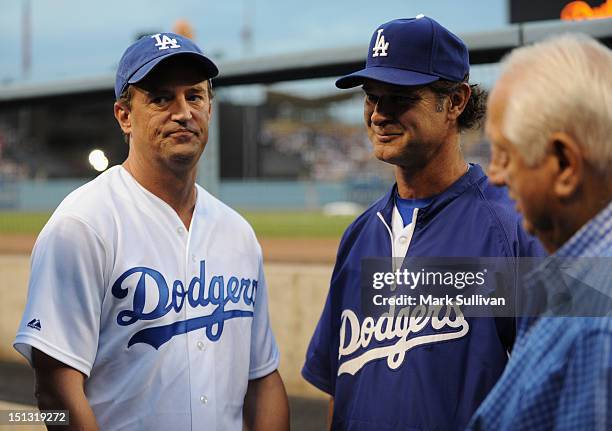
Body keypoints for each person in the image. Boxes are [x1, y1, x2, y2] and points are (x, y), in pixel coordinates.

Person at [14, 32, 289, 431]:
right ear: (124, 116)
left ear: (209, 108)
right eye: (161, 98)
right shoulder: (83, 224)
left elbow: (262, 378)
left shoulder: (238, 233)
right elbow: (57, 389)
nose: (182, 112)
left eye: (194, 96)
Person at [301, 16, 544, 430]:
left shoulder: (512, 227)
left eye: (399, 98)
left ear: (455, 101)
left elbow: (554, 391)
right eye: (371, 97)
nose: (379, 115)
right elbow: (339, 386)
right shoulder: (360, 235)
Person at [469, 33, 612, 430]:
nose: (494, 175)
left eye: (505, 155)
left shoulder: (596, 327)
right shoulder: (575, 279)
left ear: (565, 165)